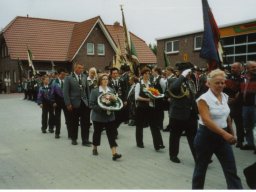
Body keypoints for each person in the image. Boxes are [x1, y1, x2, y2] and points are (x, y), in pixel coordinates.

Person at [192, 69, 243, 189]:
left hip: (223, 136)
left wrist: (232, 132)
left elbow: (227, 116)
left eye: (222, 83)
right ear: (208, 84)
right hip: (206, 137)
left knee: (231, 170)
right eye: (217, 83)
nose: (220, 85)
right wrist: (225, 134)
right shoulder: (203, 99)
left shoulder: (225, 96)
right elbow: (206, 120)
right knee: (201, 170)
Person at [168, 62, 198, 163]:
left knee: (193, 136)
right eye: (189, 71)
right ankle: (173, 155)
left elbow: (193, 96)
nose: (191, 73)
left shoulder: (191, 81)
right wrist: (182, 76)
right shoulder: (174, 80)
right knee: (175, 136)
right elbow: (174, 88)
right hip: (178, 114)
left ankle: (198, 157)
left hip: (191, 113)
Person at [89, 74, 122, 161]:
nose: (105, 80)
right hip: (98, 117)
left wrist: (113, 107)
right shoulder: (95, 91)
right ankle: (94, 148)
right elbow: (91, 104)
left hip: (109, 116)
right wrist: (102, 108)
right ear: (100, 81)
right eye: (103, 79)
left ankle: (114, 153)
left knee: (111, 134)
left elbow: (115, 101)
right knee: (97, 133)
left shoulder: (111, 90)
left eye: (106, 79)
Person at [135, 67, 165, 151]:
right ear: (142, 74)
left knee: (154, 125)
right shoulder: (138, 84)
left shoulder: (151, 84)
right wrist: (147, 99)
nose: (147, 75)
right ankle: (139, 142)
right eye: (145, 73)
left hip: (151, 107)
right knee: (139, 126)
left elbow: (155, 93)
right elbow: (137, 97)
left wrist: (156, 96)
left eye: (149, 73)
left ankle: (158, 144)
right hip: (141, 108)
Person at [63, 63, 92, 146]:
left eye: (82, 68)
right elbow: (65, 92)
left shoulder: (84, 77)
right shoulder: (68, 78)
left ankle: (85, 140)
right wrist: (68, 103)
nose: (81, 70)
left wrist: (89, 102)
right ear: (75, 68)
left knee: (85, 123)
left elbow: (87, 91)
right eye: (79, 68)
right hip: (74, 104)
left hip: (84, 103)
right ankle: (74, 138)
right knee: (74, 122)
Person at [224, 62, 244, 148]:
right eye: (232, 68)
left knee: (239, 123)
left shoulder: (243, 78)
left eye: (234, 68)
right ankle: (229, 138)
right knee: (228, 122)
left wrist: (236, 99)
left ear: (240, 68)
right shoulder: (227, 77)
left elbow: (242, 92)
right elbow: (224, 90)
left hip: (238, 104)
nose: (232, 69)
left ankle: (240, 141)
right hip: (227, 103)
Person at [240, 61, 256, 152]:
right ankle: (250, 144)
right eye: (253, 67)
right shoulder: (243, 78)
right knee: (247, 126)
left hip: (254, 106)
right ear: (247, 68)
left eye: (255, 67)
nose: (255, 68)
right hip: (245, 106)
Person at [51, 68, 70, 139]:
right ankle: (57, 133)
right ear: (58, 74)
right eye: (62, 74)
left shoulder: (67, 81)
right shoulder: (54, 82)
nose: (63, 76)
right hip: (57, 102)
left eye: (64, 75)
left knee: (68, 118)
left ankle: (70, 134)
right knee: (57, 118)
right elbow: (52, 93)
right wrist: (53, 102)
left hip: (66, 102)